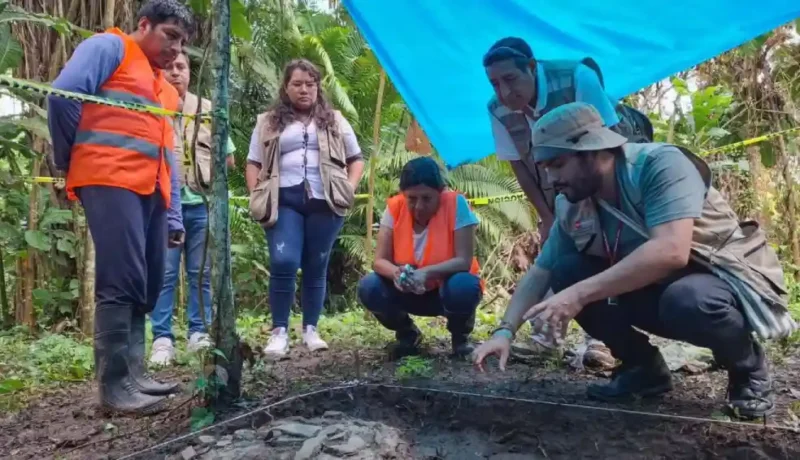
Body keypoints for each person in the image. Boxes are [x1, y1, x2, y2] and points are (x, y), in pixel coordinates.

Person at [474, 102, 786, 419]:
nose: (552, 178)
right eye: (546, 168)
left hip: (715, 286)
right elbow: (542, 270)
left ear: (591, 151)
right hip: (651, 293)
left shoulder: (659, 166)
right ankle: (642, 369)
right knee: (567, 271)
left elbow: (671, 251)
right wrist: (504, 332)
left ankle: (747, 370)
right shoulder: (572, 204)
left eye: (557, 164)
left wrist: (578, 295)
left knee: (688, 300)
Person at [47, 0, 194, 415]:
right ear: (144, 25)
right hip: (109, 178)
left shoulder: (161, 86)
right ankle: (114, 387)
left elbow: (169, 155)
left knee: (147, 280)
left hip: (151, 190)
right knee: (121, 275)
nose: (175, 50)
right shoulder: (109, 48)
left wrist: (173, 213)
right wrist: (70, 157)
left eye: (182, 43)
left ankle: (134, 374)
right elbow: (62, 97)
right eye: (170, 36)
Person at [483, 36, 640, 367]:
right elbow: (521, 168)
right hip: (563, 192)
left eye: (510, 80)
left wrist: (616, 199)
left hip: (606, 178)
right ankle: (547, 336)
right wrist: (547, 217)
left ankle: (603, 341)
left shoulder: (577, 77)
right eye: (494, 84)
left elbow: (610, 141)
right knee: (560, 260)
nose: (504, 93)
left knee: (607, 249)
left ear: (531, 66)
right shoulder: (497, 110)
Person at [245, 59, 365, 357]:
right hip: (283, 199)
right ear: (286, 87)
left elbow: (356, 158)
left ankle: (311, 329)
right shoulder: (268, 121)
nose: (304, 90)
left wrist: (349, 188)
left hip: (326, 200)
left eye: (310, 84)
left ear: (318, 88)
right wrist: (256, 193)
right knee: (284, 261)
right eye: (297, 84)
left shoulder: (335, 120)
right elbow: (253, 162)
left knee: (317, 264)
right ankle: (279, 331)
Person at [148, 51, 237, 366]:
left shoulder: (208, 110)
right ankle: (162, 339)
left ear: (189, 72)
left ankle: (198, 333)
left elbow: (228, 159)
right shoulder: (152, 106)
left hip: (200, 203)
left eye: (181, 67)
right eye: (169, 67)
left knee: (200, 273)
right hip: (162, 206)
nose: (175, 72)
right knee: (165, 272)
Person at [358, 157, 483, 359]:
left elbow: (464, 261)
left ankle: (460, 338)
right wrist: (397, 274)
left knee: (464, 285)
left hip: (445, 291)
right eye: (412, 199)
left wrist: (426, 273)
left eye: (427, 198)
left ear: (440, 193)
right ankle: (407, 334)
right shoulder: (394, 208)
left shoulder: (456, 204)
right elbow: (380, 261)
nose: (418, 206)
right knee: (369, 286)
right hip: (407, 290)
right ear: (403, 195)